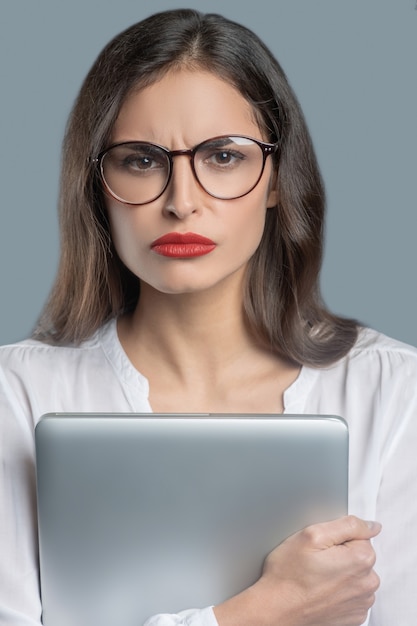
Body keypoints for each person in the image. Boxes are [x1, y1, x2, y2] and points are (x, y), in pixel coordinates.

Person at [0, 8, 416, 626]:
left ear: (275, 178)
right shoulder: (17, 394)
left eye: (223, 156)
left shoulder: (395, 393)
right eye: (140, 160)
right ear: (96, 184)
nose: (182, 202)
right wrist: (258, 613)